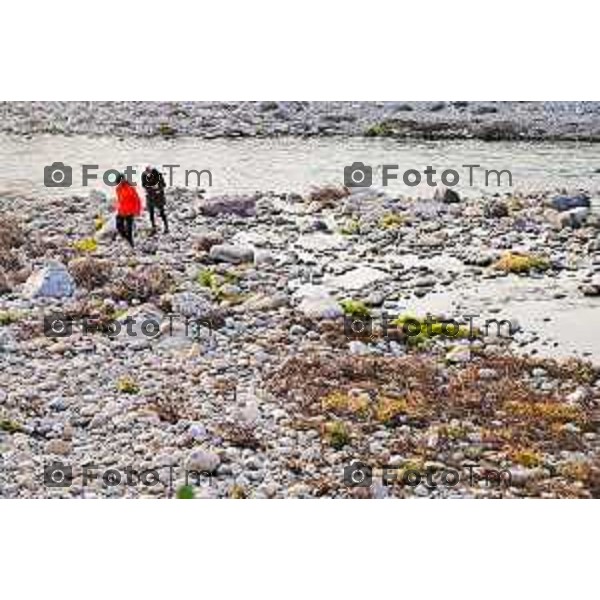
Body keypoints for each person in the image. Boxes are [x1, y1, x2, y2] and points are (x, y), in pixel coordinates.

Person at [114, 173, 142, 248]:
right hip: (122, 211)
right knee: (119, 226)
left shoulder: (130, 188)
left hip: (130, 211)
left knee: (129, 228)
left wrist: (138, 210)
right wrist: (118, 208)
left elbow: (137, 199)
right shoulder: (118, 189)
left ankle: (130, 242)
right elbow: (120, 200)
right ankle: (126, 238)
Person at [142, 166, 169, 235]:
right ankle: (153, 227)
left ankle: (166, 227)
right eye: (147, 173)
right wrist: (150, 188)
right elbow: (144, 185)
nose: (148, 174)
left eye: (149, 173)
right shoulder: (144, 175)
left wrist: (158, 188)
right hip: (150, 197)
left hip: (158, 197)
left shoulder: (158, 175)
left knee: (162, 212)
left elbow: (163, 185)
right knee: (151, 213)